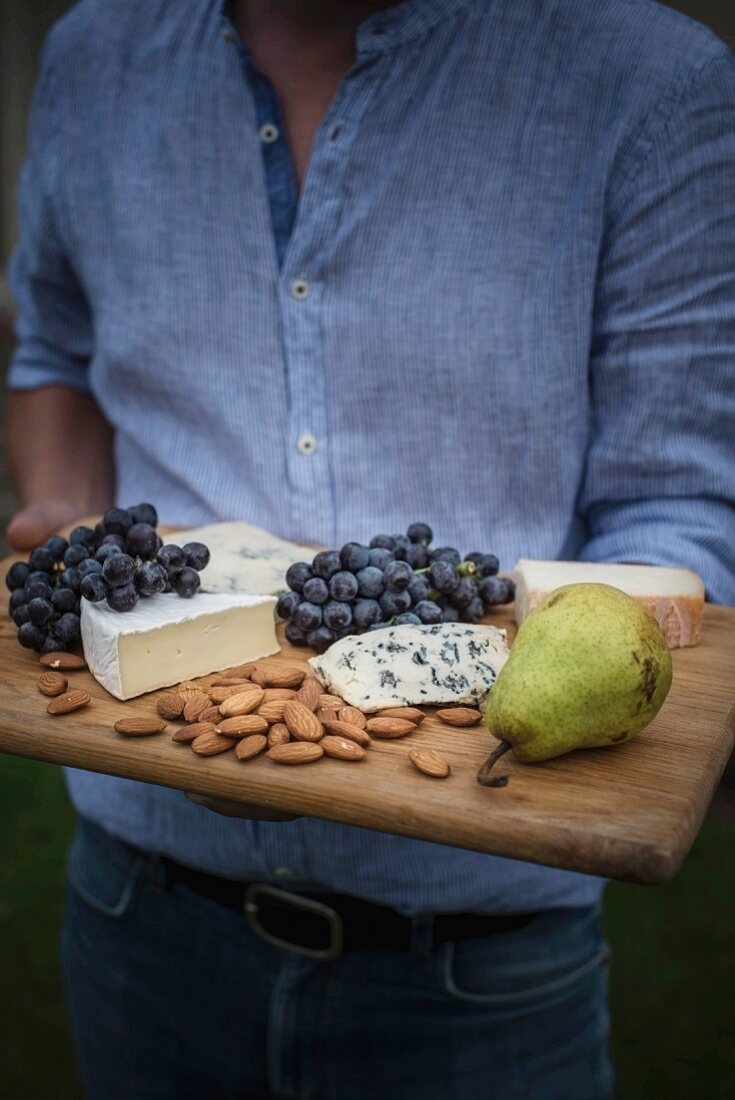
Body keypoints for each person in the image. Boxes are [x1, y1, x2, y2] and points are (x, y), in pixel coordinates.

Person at [5, 0, 735, 1096]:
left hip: (479, 968)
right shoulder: (93, 52)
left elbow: (680, 507)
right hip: (134, 912)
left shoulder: (650, 78)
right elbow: (54, 345)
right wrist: (62, 511)